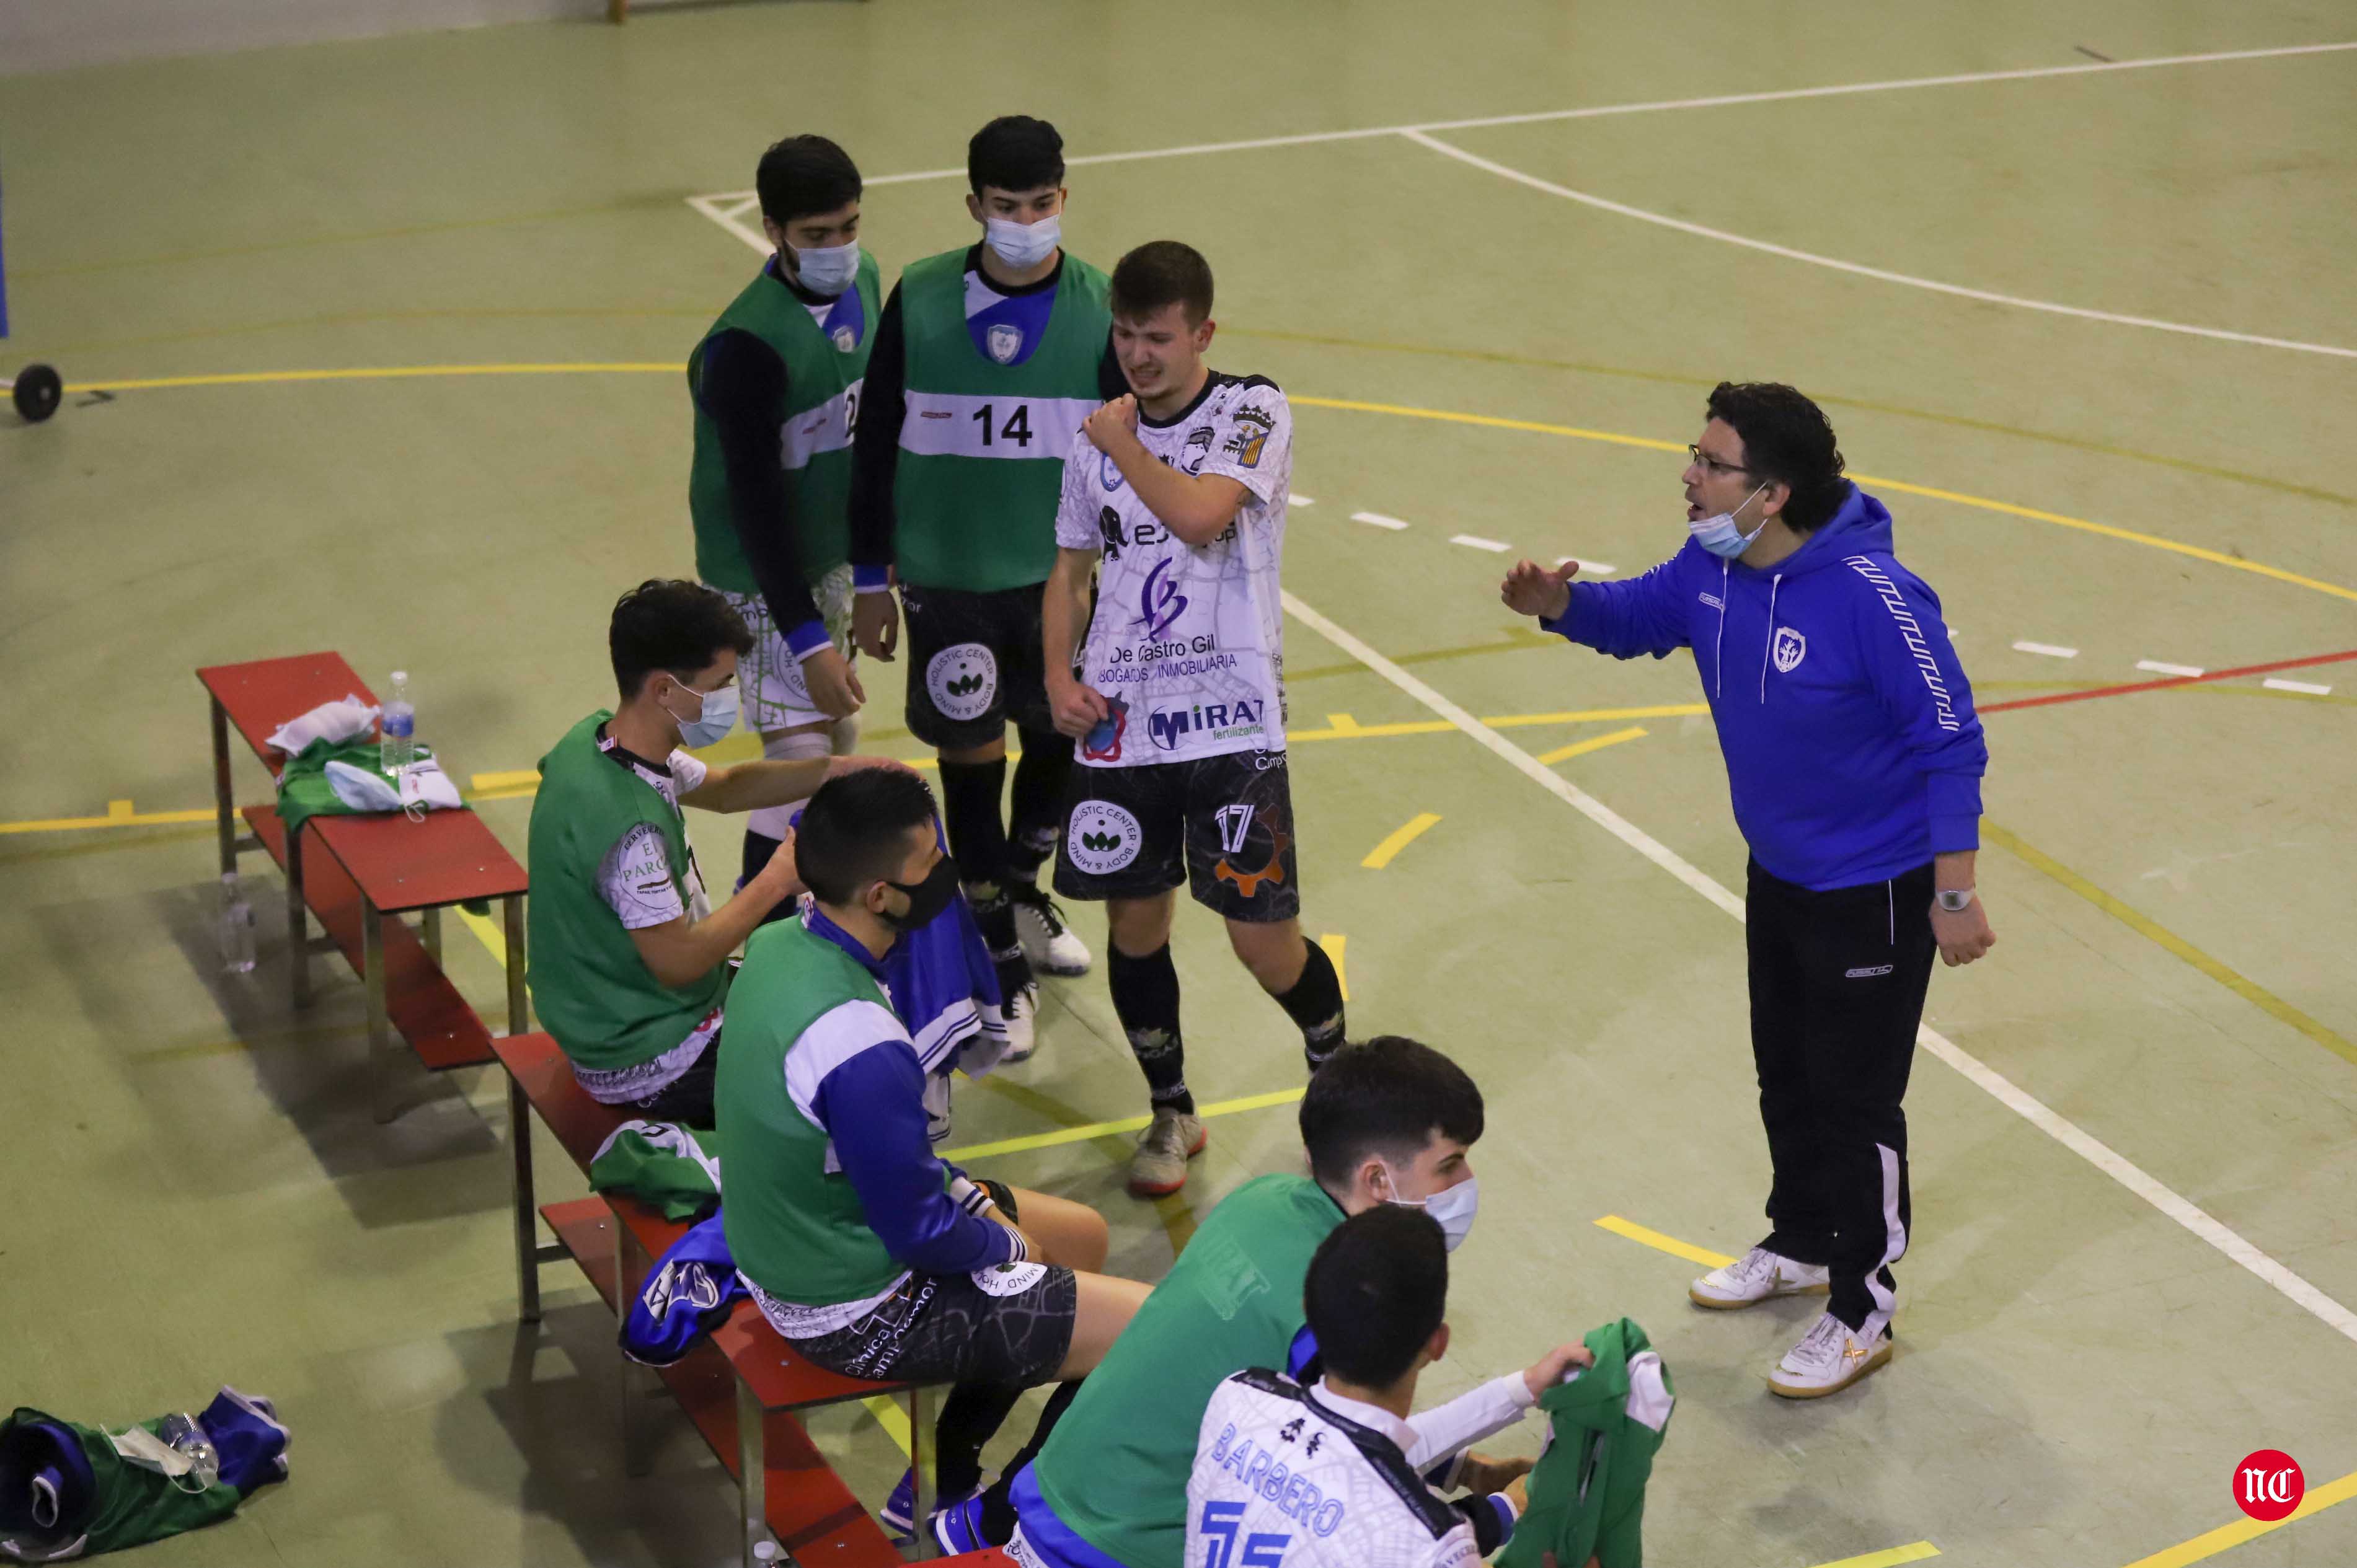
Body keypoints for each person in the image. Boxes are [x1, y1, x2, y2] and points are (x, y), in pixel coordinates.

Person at [1499, 381, 1996, 1399]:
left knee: (1857, 1103)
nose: (1687, 474)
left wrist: (1952, 894)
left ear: (1768, 494)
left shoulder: (1873, 597)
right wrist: (1557, 606)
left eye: (1710, 463)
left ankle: (1861, 1307)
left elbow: (1951, 741)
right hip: (1778, 874)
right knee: (1787, 1073)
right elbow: (1637, 615)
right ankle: (1804, 1241)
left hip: (1877, 888)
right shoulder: (1712, 567)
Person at [715, 768, 1152, 1539]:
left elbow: (884, 1163)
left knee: (1081, 1235)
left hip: (795, 1235)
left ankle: (945, 1469)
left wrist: (975, 1204)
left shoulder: (782, 941)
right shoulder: (862, 1040)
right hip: (846, 1304)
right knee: (1145, 1333)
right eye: (930, 864)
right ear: (882, 895)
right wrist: (1004, 1241)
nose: (946, 873)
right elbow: (918, 1231)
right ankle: (1004, 1512)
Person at [989, 1037, 1590, 1568]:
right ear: (1379, 1181)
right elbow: (1350, 1466)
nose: (1466, 1182)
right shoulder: (1350, 1297)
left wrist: (1457, 1467)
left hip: (1054, 1489)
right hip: (1131, 1546)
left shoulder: (1264, 1198)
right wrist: (1505, 1508)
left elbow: (1303, 1405)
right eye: (1450, 1163)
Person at [1041, 239, 1348, 1196]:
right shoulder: (1093, 441)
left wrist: (1122, 441)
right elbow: (1068, 570)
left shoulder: (1252, 410)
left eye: (1159, 337)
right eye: (1126, 335)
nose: (1138, 355)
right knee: (1136, 926)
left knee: (1265, 943)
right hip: (1123, 726)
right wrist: (1057, 673)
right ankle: (1170, 1110)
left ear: (1202, 333)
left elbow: (1202, 516)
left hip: (1232, 725)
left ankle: (1336, 1079)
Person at [849, 114, 1127, 1060]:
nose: (1024, 221)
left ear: (1064, 197)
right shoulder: (920, 295)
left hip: (1058, 581)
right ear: (973, 206)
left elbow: (1126, 459)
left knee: (1056, 738)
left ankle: (1013, 889)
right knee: (970, 759)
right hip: (948, 579)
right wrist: (870, 579)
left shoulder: (1099, 307)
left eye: (1041, 204)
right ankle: (997, 958)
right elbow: (875, 437)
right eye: (1005, 207)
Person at [525, 579, 856, 1125]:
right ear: (664, 690)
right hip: (649, 1058)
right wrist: (776, 880)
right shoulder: (632, 833)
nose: (730, 698)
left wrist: (835, 770)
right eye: (720, 685)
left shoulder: (597, 745)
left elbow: (725, 789)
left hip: (611, 1013)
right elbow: (678, 962)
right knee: (837, 1081)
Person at [686, 133, 877, 902]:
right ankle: (755, 940)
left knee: (837, 736)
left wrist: (871, 574)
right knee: (801, 754)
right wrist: (805, 639)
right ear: (773, 232)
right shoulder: (745, 350)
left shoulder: (865, 284)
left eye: (849, 227)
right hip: (759, 573)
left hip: (828, 552)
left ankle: (806, 913)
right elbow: (756, 512)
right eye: (816, 236)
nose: (838, 249)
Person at [1187, 1206, 1570, 1568]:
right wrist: (1509, 1511)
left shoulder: (1240, 1394)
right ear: (1438, 1344)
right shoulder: (1435, 1546)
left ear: (1308, 1309)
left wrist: (1525, 1387)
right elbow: (1371, 1480)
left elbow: (1349, 1452)